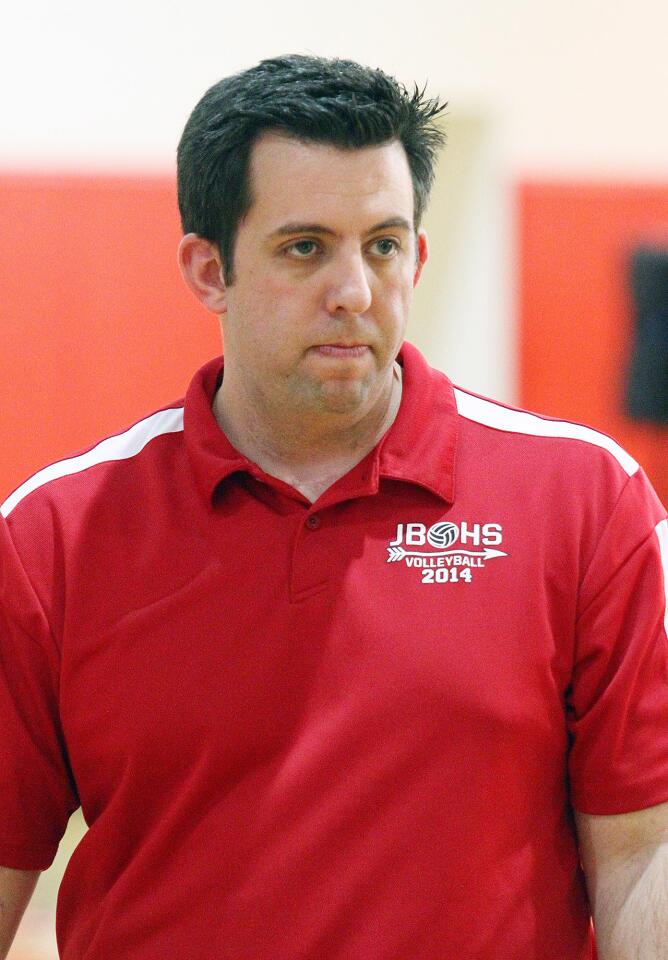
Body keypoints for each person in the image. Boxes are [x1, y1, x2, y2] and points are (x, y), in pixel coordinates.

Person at [0, 53, 667, 960]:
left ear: (418, 257)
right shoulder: (52, 539)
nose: (355, 291)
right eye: (305, 247)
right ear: (208, 271)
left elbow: (642, 858)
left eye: (384, 245)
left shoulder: (588, 502)